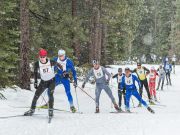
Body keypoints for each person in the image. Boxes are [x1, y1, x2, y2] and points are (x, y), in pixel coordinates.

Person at [24, 49, 62, 117]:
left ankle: (50, 110)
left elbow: (59, 65)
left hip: (51, 81)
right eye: (41, 57)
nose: (42, 58)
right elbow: (35, 73)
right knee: (36, 96)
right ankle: (32, 110)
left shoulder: (51, 62)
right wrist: (35, 82)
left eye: (43, 57)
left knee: (50, 94)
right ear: (39, 56)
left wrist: (64, 72)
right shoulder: (37, 63)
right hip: (43, 82)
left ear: (46, 56)